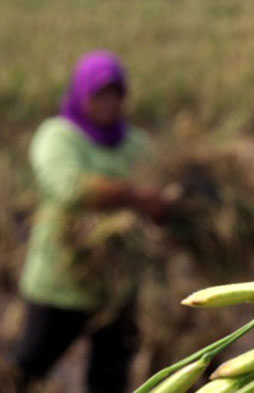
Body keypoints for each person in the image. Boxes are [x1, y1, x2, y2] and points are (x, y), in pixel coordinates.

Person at [7, 51, 173, 393]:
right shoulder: (57, 136)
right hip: (61, 281)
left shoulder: (136, 144)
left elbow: (160, 194)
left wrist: (166, 205)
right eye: (100, 94)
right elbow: (70, 188)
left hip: (118, 286)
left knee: (110, 379)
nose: (109, 103)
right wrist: (138, 196)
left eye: (116, 94)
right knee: (28, 367)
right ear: (81, 95)